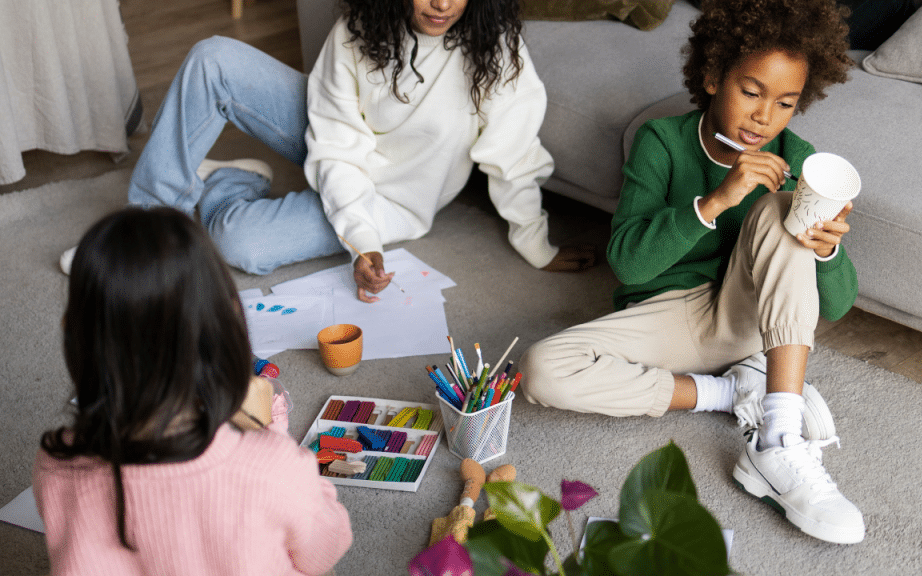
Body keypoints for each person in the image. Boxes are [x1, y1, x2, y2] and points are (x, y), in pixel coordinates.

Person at [519, 0, 865, 544]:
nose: (764, 116)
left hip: (747, 318)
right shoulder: (661, 141)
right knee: (540, 369)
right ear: (712, 76)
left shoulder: (797, 157)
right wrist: (717, 200)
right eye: (751, 92)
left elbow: (838, 305)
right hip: (667, 319)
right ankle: (733, 392)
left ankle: (778, 436)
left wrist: (826, 251)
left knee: (783, 205)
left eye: (785, 103)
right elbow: (628, 265)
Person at [60, 0, 595, 302]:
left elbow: (514, 155)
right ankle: (141, 232)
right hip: (336, 140)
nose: (441, 3)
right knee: (213, 58)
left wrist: (536, 244)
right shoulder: (360, 29)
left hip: (391, 196)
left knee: (241, 245)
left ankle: (230, 180)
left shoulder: (497, 51)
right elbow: (337, 145)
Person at [36, 208, 353, 574]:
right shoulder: (270, 466)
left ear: (74, 334)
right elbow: (327, 547)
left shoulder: (55, 463)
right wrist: (271, 435)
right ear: (228, 320)